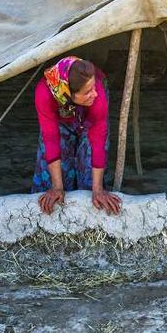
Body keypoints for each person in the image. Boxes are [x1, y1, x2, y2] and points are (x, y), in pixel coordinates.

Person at [32, 56, 122, 216]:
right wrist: (57, 187)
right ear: (68, 94)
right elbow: (51, 138)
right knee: (53, 178)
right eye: (87, 92)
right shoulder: (45, 93)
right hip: (61, 117)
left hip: (88, 116)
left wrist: (98, 189)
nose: (94, 94)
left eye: (93, 88)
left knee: (89, 172)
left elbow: (98, 140)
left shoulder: (97, 93)